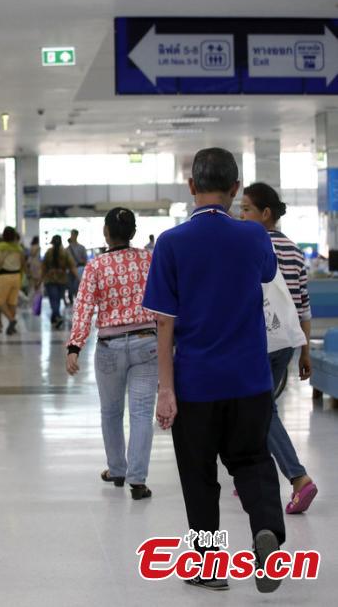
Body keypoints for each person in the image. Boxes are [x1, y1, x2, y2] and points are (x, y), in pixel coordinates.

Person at [143, 148, 285, 593]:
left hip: (196, 382)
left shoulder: (171, 243)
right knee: (253, 460)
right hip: (249, 379)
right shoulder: (254, 237)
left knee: (199, 471)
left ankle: (209, 565)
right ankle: (266, 533)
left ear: (191, 187)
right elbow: (266, 275)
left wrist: (166, 389)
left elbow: (164, 321)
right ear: (236, 188)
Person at [66, 208, 157, 500]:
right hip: (147, 342)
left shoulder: (96, 266)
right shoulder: (148, 260)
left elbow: (83, 307)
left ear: (106, 232)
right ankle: (138, 480)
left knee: (111, 412)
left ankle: (117, 469)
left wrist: (74, 346)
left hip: (109, 347)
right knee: (142, 413)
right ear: (133, 233)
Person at [240, 182, 317, 514]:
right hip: (285, 342)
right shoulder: (295, 250)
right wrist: (305, 351)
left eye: (246, 210)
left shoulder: (247, 245)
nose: (240, 216)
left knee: (260, 411)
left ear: (265, 213)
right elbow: (303, 306)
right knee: (259, 407)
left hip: (255, 340)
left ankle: (298, 477)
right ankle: (251, 476)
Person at [0, 227, 26, 335]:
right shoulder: (19, 248)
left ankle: (11, 320)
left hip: (4, 276)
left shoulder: (0, 247)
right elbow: (22, 263)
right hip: (16, 276)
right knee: (12, 302)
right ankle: (11, 327)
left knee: (0, 302)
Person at [42, 235, 77, 329]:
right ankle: (56, 317)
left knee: (53, 300)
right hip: (62, 279)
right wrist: (78, 277)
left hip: (50, 278)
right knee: (57, 299)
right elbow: (72, 265)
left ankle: (56, 316)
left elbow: (44, 267)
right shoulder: (65, 252)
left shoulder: (49, 252)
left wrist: (39, 280)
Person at [66, 229, 88, 305]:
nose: (72, 236)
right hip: (70, 270)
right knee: (70, 285)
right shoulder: (67, 249)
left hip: (79, 269)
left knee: (77, 285)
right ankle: (71, 299)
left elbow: (85, 259)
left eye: (73, 234)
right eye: (71, 234)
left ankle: (78, 299)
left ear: (76, 235)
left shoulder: (81, 247)